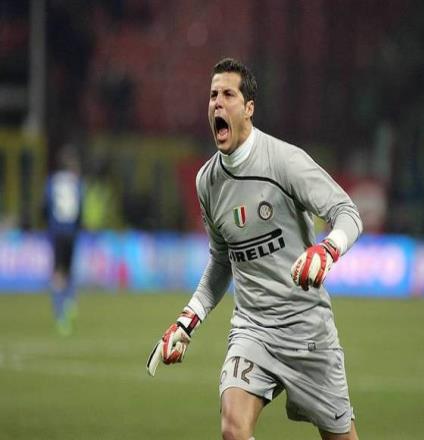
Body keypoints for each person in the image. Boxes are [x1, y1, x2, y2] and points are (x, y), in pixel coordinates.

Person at [147, 58, 363, 440]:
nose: (217, 102)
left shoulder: (285, 162)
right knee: (233, 428)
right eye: (213, 95)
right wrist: (187, 320)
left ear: (248, 108)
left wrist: (328, 249)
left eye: (228, 95)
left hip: (306, 331)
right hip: (252, 330)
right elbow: (221, 261)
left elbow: (347, 212)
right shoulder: (207, 182)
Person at [43, 148, 84, 336]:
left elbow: (46, 205)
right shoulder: (76, 182)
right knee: (68, 269)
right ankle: (70, 302)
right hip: (71, 231)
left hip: (56, 230)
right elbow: (80, 206)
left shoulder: (51, 181)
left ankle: (60, 314)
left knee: (58, 272)